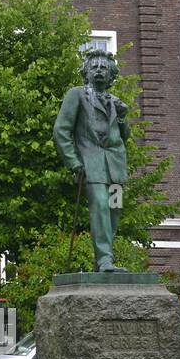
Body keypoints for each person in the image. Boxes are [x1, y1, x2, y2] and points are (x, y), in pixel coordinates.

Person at [53, 49, 130, 272]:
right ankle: (105, 260)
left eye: (104, 68)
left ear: (111, 75)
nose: (99, 71)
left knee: (114, 210)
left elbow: (123, 137)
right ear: (86, 72)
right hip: (91, 163)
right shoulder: (76, 95)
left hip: (115, 165)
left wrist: (123, 117)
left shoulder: (115, 101)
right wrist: (74, 162)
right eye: (94, 67)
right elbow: (61, 130)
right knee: (100, 207)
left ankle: (104, 260)